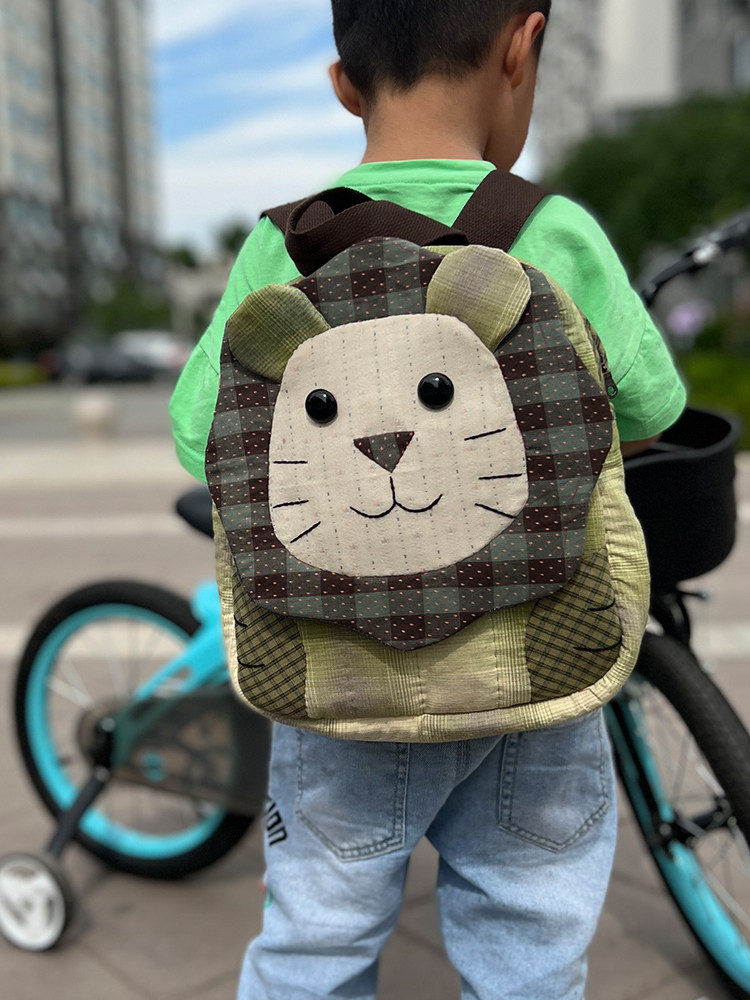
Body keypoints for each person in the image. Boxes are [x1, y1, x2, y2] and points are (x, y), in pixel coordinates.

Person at [169, 3, 686, 997]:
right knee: (530, 944)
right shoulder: (553, 231)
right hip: (543, 662)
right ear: (521, 48)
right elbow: (653, 409)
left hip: (335, 679)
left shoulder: (282, 247)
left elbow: (201, 440)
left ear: (344, 85)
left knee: (315, 945)